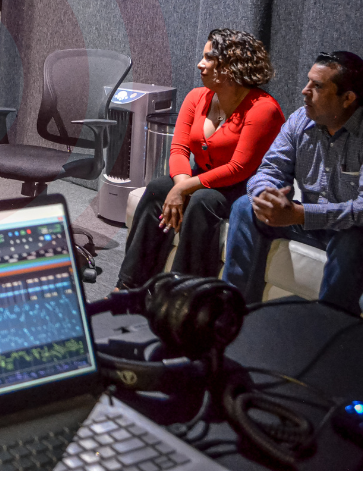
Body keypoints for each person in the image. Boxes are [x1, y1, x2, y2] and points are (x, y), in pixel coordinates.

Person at [115, 29, 285, 289]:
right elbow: (179, 149)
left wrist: (184, 189)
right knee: (158, 188)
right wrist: (180, 187)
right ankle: (128, 287)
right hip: (200, 177)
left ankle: (182, 296)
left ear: (231, 65)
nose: (200, 64)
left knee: (203, 201)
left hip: (242, 187)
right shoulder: (197, 97)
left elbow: (239, 168)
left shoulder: (263, 108)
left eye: (208, 58)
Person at [223, 51, 363, 313]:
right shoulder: (301, 119)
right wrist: (266, 195)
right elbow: (270, 168)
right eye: (308, 81)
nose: (304, 90)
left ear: (348, 98)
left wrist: (300, 214)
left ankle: (331, 327)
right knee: (245, 206)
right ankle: (235, 312)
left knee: (353, 240)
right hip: (308, 224)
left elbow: (361, 210)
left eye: (317, 86)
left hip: (348, 228)